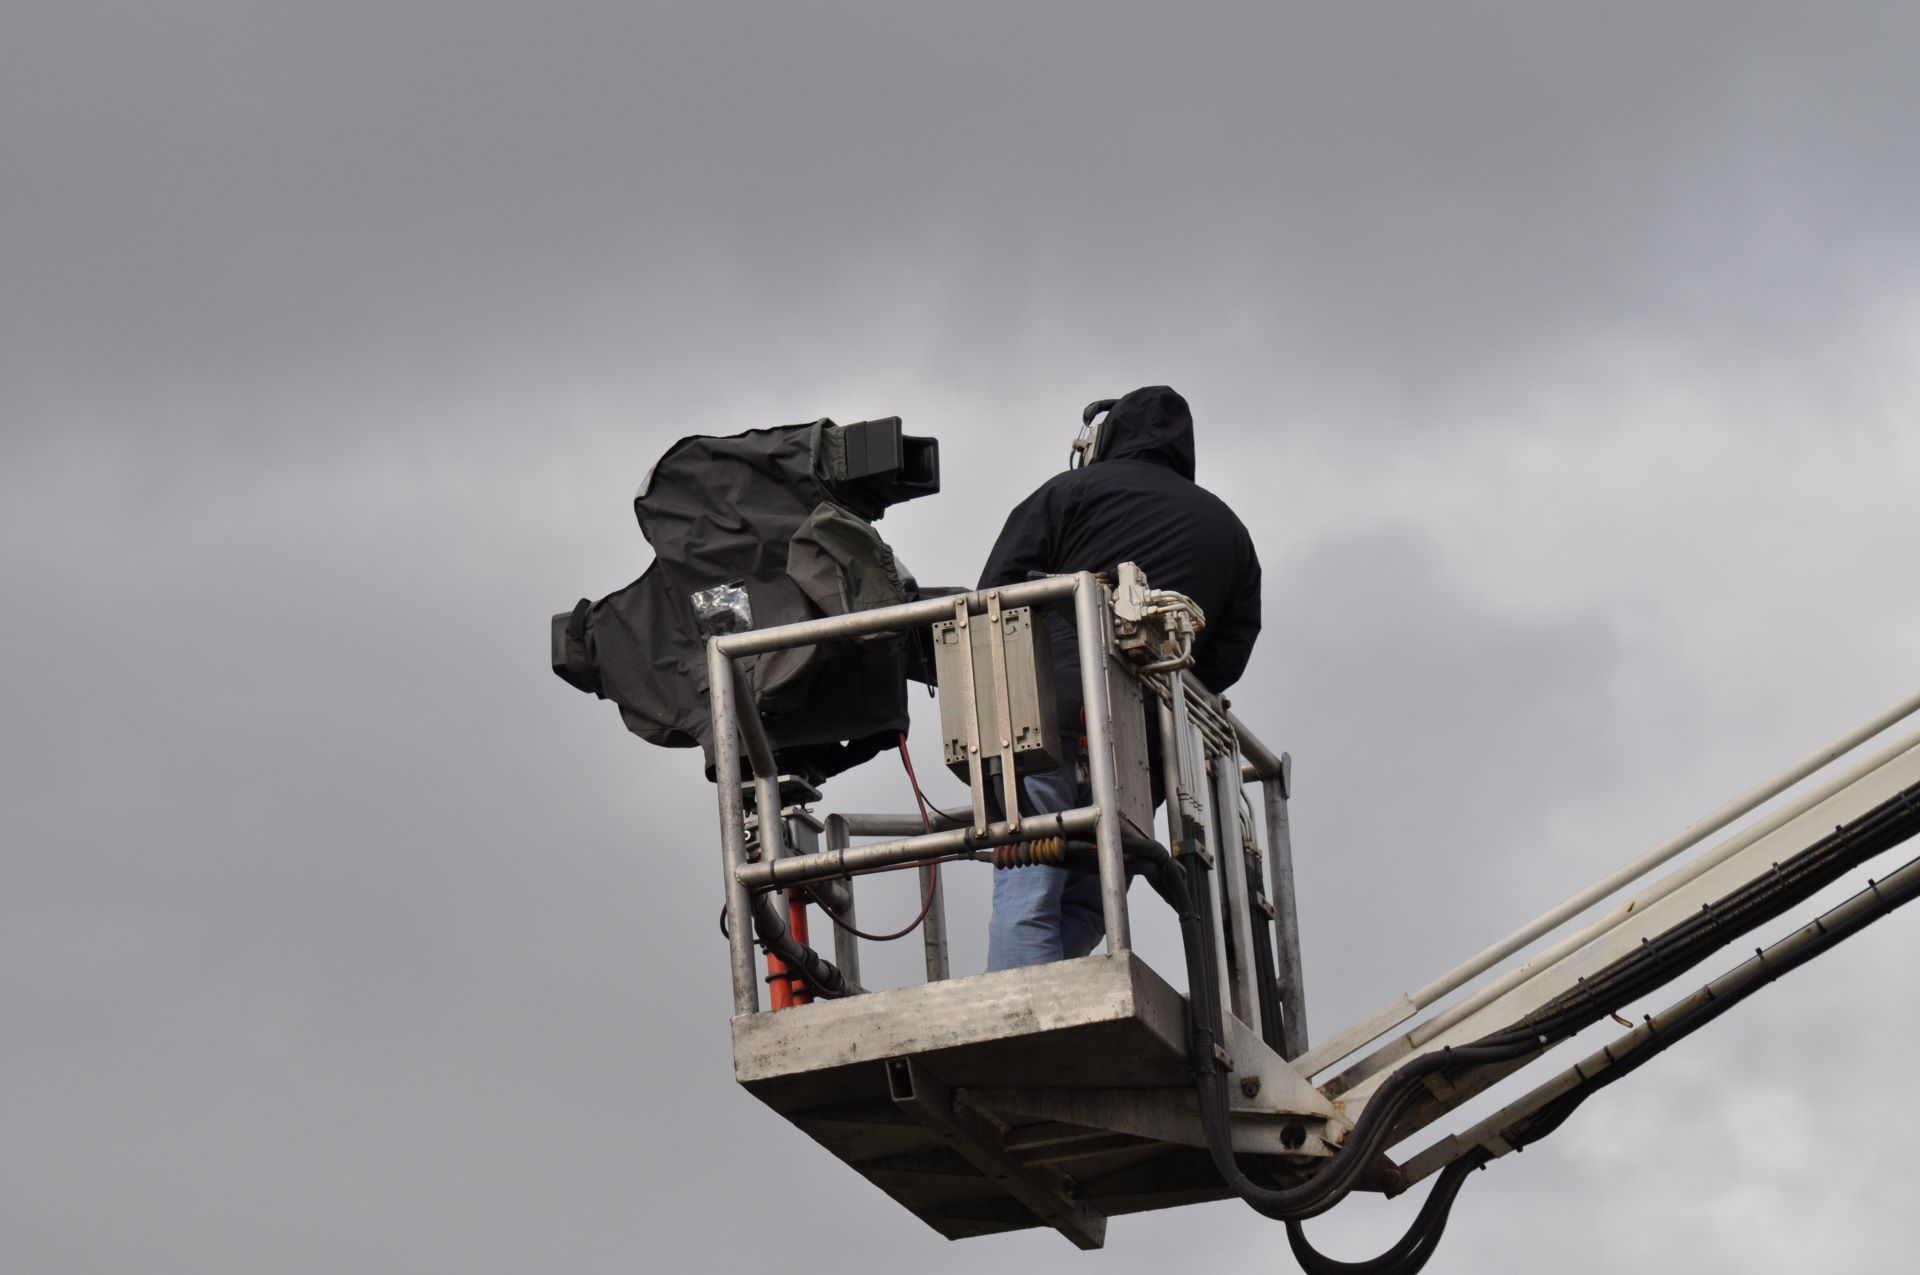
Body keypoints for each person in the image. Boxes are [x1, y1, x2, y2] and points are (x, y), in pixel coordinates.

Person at [978, 385, 1262, 970]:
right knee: (1091, 896)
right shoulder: (1228, 530)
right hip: (1146, 745)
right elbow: (1227, 656)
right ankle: (1055, 1003)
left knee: (1029, 879)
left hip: (1042, 717)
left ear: (1106, 438)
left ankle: (1025, 1022)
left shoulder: (1070, 491)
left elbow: (994, 598)